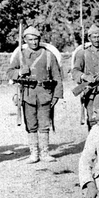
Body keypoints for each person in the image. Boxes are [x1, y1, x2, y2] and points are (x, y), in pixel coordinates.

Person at [7, 26, 63, 163]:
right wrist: (20, 72)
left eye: (36, 39)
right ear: (25, 40)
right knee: (31, 124)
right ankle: (34, 153)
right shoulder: (21, 55)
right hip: (27, 94)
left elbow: (57, 76)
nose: (34, 42)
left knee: (44, 124)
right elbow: (9, 72)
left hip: (45, 94)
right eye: (30, 39)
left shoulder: (48, 55)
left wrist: (57, 95)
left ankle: (45, 153)